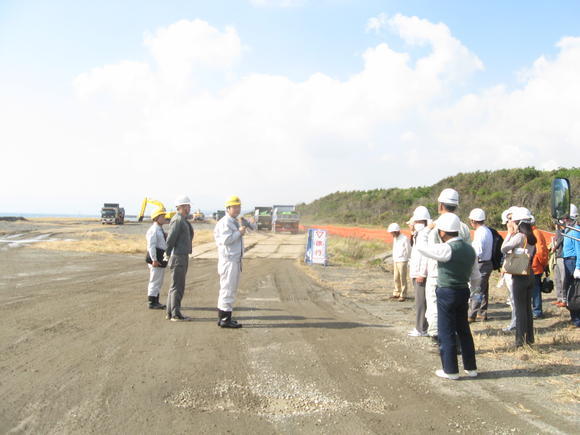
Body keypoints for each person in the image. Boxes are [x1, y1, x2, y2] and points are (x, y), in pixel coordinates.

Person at [417, 213, 480, 380]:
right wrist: (474, 292)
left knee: (446, 331)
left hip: (446, 292)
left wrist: (426, 230)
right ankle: (471, 368)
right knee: (464, 330)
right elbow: (476, 276)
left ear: (442, 232)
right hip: (463, 291)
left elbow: (422, 248)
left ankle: (450, 370)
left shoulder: (446, 249)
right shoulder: (470, 249)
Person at [425, 188, 471, 345]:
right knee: (458, 312)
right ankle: (455, 339)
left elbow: (429, 250)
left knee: (434, 306)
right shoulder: (464, 227)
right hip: (459, 275)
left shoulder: (434, 226)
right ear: (456, 206)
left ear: (440, 205)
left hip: (437, 273)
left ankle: (439, 339)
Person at [214, 195, 254, 329]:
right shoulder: (225, 222)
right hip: (229, 261)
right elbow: (226, 240)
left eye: (239, 207)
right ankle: (225, 319)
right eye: (235, 207)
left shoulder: (233, 221)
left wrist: (242, 228)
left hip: (234, 260)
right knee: (227, 289)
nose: (237, 209)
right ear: (228, 208)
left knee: (229, 289)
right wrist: (239, 232)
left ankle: (224, 317)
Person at [501, 207, 537, 347]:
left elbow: (503, 248)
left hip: (519, 275)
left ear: (519, 222)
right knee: (528, 308)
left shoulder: (520, 236)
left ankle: (520, 340)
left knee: (520, 308)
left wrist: (510, 233)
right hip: (529, 273)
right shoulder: (531, 237)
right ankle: (529, 339)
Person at [165, 195, 194, 322]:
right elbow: (171, 239)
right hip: (178, 257)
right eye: (187, 205)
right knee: (178, 286)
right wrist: (167, 253)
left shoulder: (182, 219)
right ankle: (175, 314)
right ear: (181, 207)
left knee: (175, 286)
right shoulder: (177, 220)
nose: (189, 207)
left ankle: (170, 313)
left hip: (181, 255)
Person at [408, 206, 431, 337]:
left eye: (416, 222)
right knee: (420, 301)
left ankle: (421, 328)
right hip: (417, 271)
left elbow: (425, 256)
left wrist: (422, 273)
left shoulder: (424, 235)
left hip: (420, 273)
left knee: (421, 302)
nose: (414, 224)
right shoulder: (419, 234)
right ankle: (421, 327)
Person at [467, 208, 493, 322]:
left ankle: (471, 314)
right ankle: (482, 313)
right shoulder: (487, 230)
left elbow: (477, 251)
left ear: (473, 221)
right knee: (483, 289)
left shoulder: (479, 232)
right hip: (488, 262)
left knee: (477, 290)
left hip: (481, 263)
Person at [145, 208, 168, 310]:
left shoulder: (159, 229)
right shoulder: (153, 230)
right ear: (156, 218)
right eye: (162, 216)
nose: (164, 218)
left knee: (158, 280)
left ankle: (156, 300)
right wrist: (154, 259)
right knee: (154, 280)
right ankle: (152, 301)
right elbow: (151, 245)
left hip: (160, 257)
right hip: (156, 258)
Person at [562, 204, 580, 327]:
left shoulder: (575, 231)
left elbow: (579, 250)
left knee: (575, 291)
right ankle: (574, 317)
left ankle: (577, 319)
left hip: (573, 261)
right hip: (568, 261)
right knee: (569, 290)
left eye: (566, 218)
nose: (564, 220)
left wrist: (578, 267)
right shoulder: (568, 230)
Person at [530, 216, 549, 319]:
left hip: (535, 266)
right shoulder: (533, 232)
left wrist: (543, 264)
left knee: (535, 289)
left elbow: (541, 251)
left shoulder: (535, 233)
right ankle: (535, 310)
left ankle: (537, 311)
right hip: (533, 265)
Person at [387, 223, 411, 302]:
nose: (391, 234)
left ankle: (403, 294)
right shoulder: (395, 238)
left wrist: (408, 258)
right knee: (396, 277)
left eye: (392, 232)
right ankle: (397, 292)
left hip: (403, 260)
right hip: (396, 260)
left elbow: (408, 250)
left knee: (402, 278)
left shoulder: (404, 238)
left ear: (396, 231)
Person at [550, 223, 566, 307]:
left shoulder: (562, 232)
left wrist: (554, 247)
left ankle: (564, 299)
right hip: (557, 257)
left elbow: (559, 241)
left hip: (562, 257)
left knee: (563, 279)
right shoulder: (557, 232)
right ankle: (559, 298)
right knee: (557, 279)